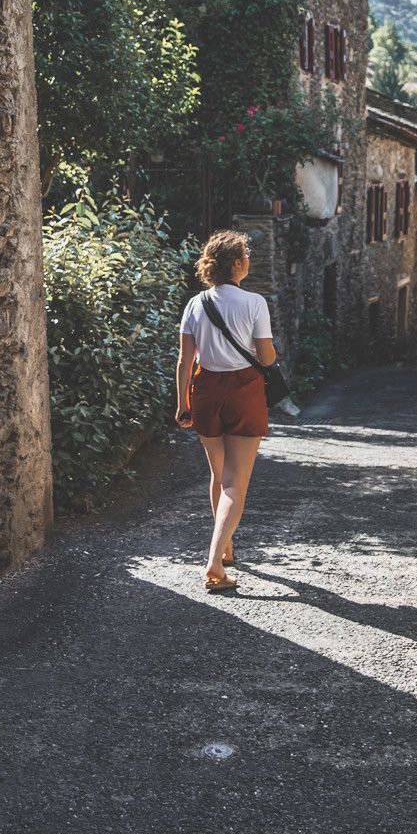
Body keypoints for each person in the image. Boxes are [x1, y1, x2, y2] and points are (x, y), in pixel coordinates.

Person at [176, 229, 275, 592]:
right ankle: (215, 563)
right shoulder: (254, 303)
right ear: (236, 263)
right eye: (246, 254)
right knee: (237, 482)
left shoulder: (195, 304)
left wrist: (182, 403)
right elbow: (265, 357)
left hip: (205, 391)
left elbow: (186, 360)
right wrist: (268, 350)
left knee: (218, 474)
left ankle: (227, 544)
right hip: (243, 391)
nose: (249, 259)